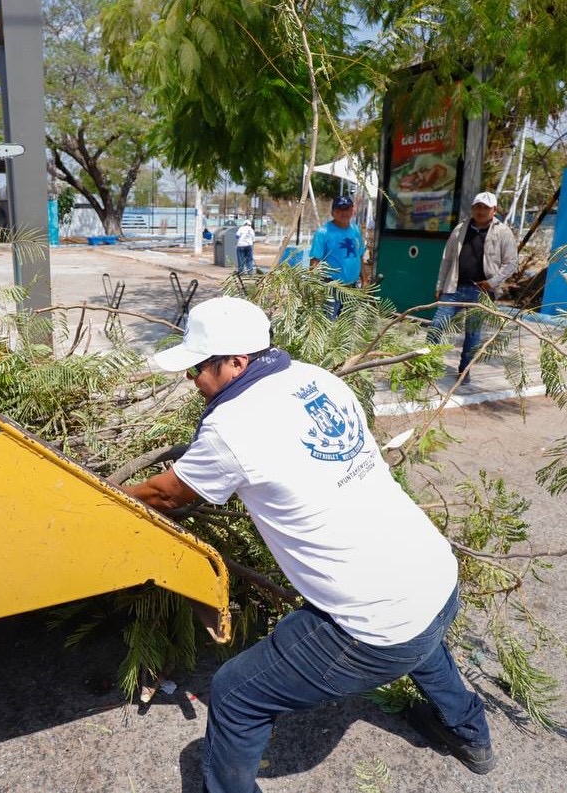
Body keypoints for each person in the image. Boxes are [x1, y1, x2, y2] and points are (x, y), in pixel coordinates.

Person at [125, 296, 494, 793]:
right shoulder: (319, 379)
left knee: (235, 694)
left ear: (236, 362)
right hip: (438, 577)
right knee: (417, 626)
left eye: (198, 368)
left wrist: (100, 495)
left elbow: (165, 495)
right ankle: (470, 734)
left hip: (374, 630)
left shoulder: (230, 428)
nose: (193, 381)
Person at [428, 191, 518, 383]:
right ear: (472, 208)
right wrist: (439, 285)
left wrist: (492, 282)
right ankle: (427, 365)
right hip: (454, 288)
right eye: (478, 207)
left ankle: (464, 371)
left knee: (473, 334)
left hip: (482, 292)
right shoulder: (460, 229)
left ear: (494, 210)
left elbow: (511, 263)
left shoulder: (503, 232)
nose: (481, 211)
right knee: (436, 326)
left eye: (485, 207)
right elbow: (447, 259)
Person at [308, 196, 367, 318]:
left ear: (352, 210)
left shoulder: (355, 230)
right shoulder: (323, 233)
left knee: (349, 323)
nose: (343, 213)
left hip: (352, 287)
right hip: (331, 288)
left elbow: (359, 256)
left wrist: (365, 280)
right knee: (329, 323)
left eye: (347, 209)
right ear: (333, 212)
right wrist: (314, 288)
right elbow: (314, 262)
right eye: (339, 209)